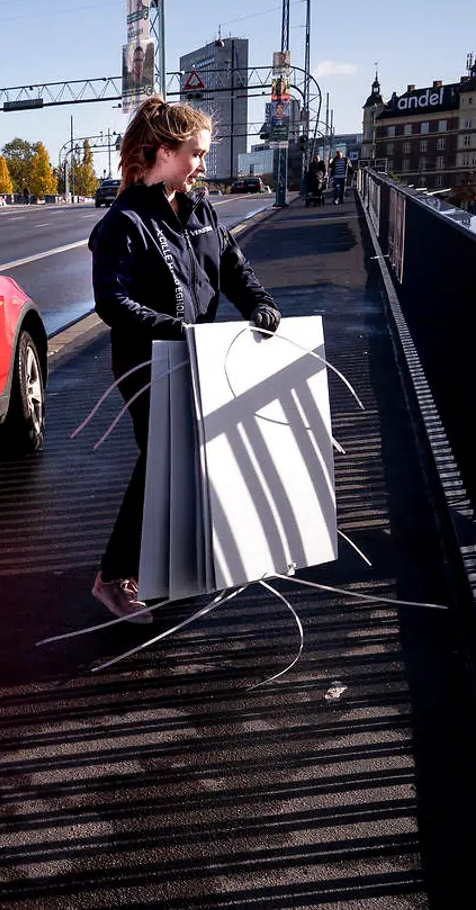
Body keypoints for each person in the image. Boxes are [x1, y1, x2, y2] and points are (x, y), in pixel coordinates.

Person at [88, 96, 282, 622]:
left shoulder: (200, 210)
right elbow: (111, 301)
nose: (201, 165)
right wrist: (176, 329)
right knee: (162, 462)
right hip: (145, 364)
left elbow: (234, 267)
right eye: (195, 154)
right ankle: (112, 577)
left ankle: (163, 561)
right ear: (163, 152)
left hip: (196, 355)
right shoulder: (124, 222)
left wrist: (260, 303)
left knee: (184, 459)